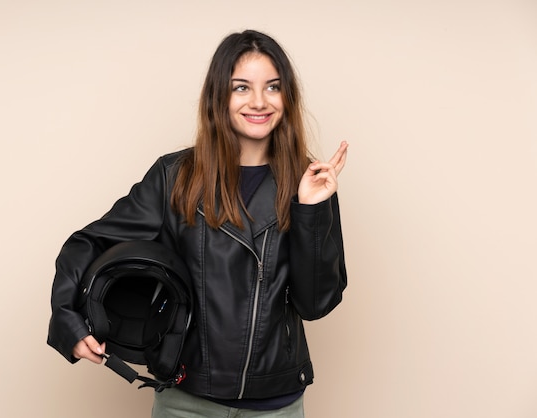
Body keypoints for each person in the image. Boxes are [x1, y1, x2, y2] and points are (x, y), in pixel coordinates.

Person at [48, 29, 348, 417]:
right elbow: (89, 243)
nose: (259, 101)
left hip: (277, 403)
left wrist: (310, 209)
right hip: (185, 401)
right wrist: (69, 320)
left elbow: (315, 303)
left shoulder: (312, 182)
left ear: (287, 97)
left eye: (272, 87)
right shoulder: (175, 176)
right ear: (218, 96)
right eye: (241, 87)